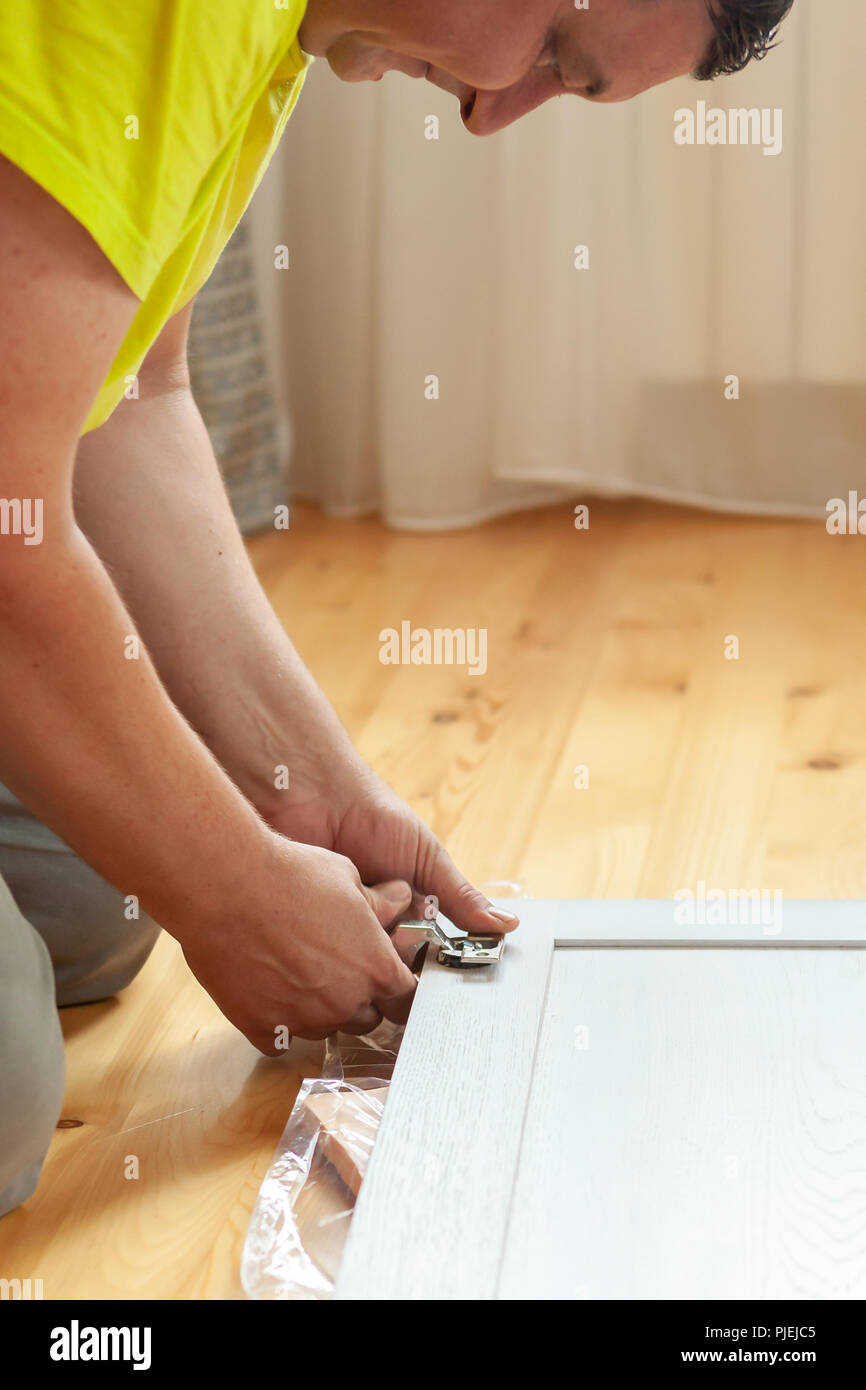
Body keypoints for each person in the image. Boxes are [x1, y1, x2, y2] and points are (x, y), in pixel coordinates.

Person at [0, 0, 793, 1216]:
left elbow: (132, 398)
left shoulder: (277, 33)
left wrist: (302, 793)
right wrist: (229, 892)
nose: (490, 116)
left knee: (91, 909)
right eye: (546, 56)